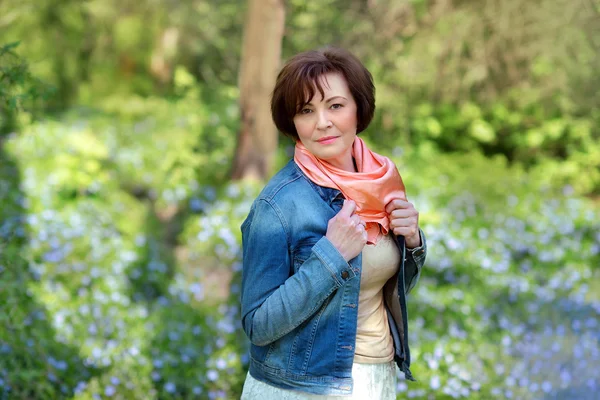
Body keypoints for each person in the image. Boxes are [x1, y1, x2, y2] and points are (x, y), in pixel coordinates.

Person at [239, 47, 427, 399]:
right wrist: (331, 256)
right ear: (292, 122)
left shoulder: (381, 182)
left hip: (377, 379)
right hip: (305, 390)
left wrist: (413, 242)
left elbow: (383, 285)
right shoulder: (278, 205)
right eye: (306, 110)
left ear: (359, 108)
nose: (322, 122)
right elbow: (258, 325)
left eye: (335, 105)